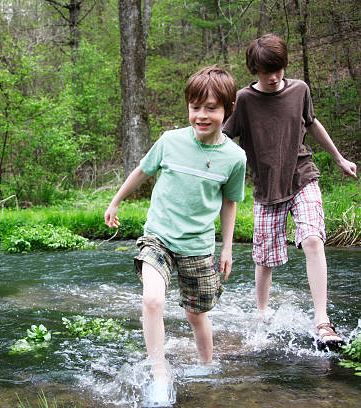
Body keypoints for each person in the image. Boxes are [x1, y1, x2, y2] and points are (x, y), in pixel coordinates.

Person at [104, 66, 246, 403]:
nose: (201, 115)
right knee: (153, 300)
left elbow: (229, 202)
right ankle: (159, 374)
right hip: (159, 239)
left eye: (210, 108)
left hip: (198, 247)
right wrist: (115, 201)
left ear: (227, 109)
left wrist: (226, 247)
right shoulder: (170, 141)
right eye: (195, 107)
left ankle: (208, 365)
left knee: (196, 314)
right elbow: (141, 170)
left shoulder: (234, 157)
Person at [222, 34, 357, 349]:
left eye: (277, 70)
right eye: (264, 72)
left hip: (302, 175)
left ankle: (322, 321)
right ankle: (261, 312)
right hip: (267, 187)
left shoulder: (300, 90)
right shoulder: (243, 100)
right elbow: (224, 136)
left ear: (284, 65)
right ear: (254, 70)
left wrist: (339, 158)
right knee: (265, 259)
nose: (272, 78)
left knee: (312, 239)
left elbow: (312, 124)